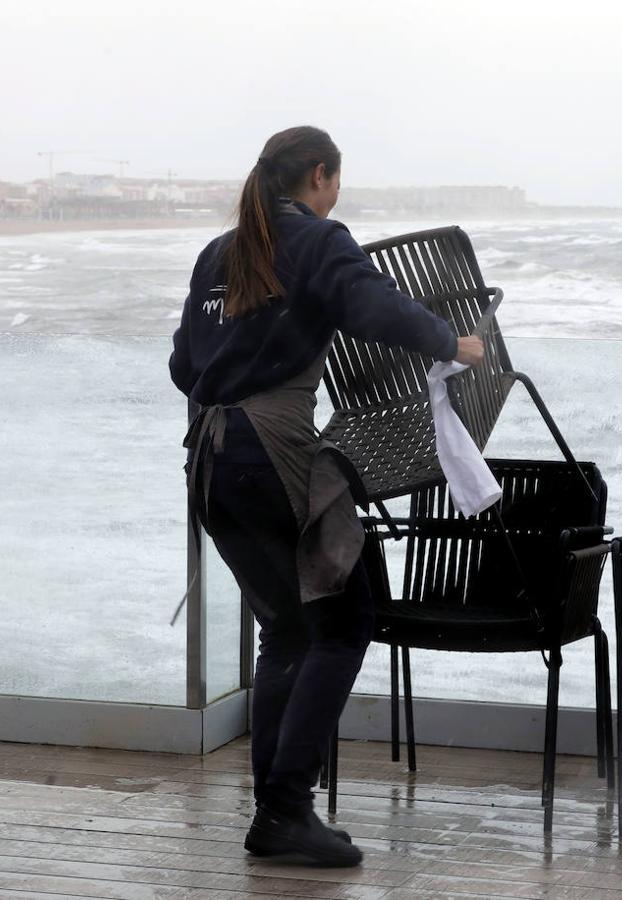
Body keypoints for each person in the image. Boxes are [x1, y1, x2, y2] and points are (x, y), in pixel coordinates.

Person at [169, 126, 484, 867]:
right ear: (320, 176)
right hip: (266, 452)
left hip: (208, 464)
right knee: (346, 619)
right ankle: (284, 809)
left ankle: (277, 816)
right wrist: (454, 344)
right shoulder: (316, 240)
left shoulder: (219, 253)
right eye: (334, 181)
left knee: (287, 628)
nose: (335, 192)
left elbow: (184, 365)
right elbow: (376, 309)